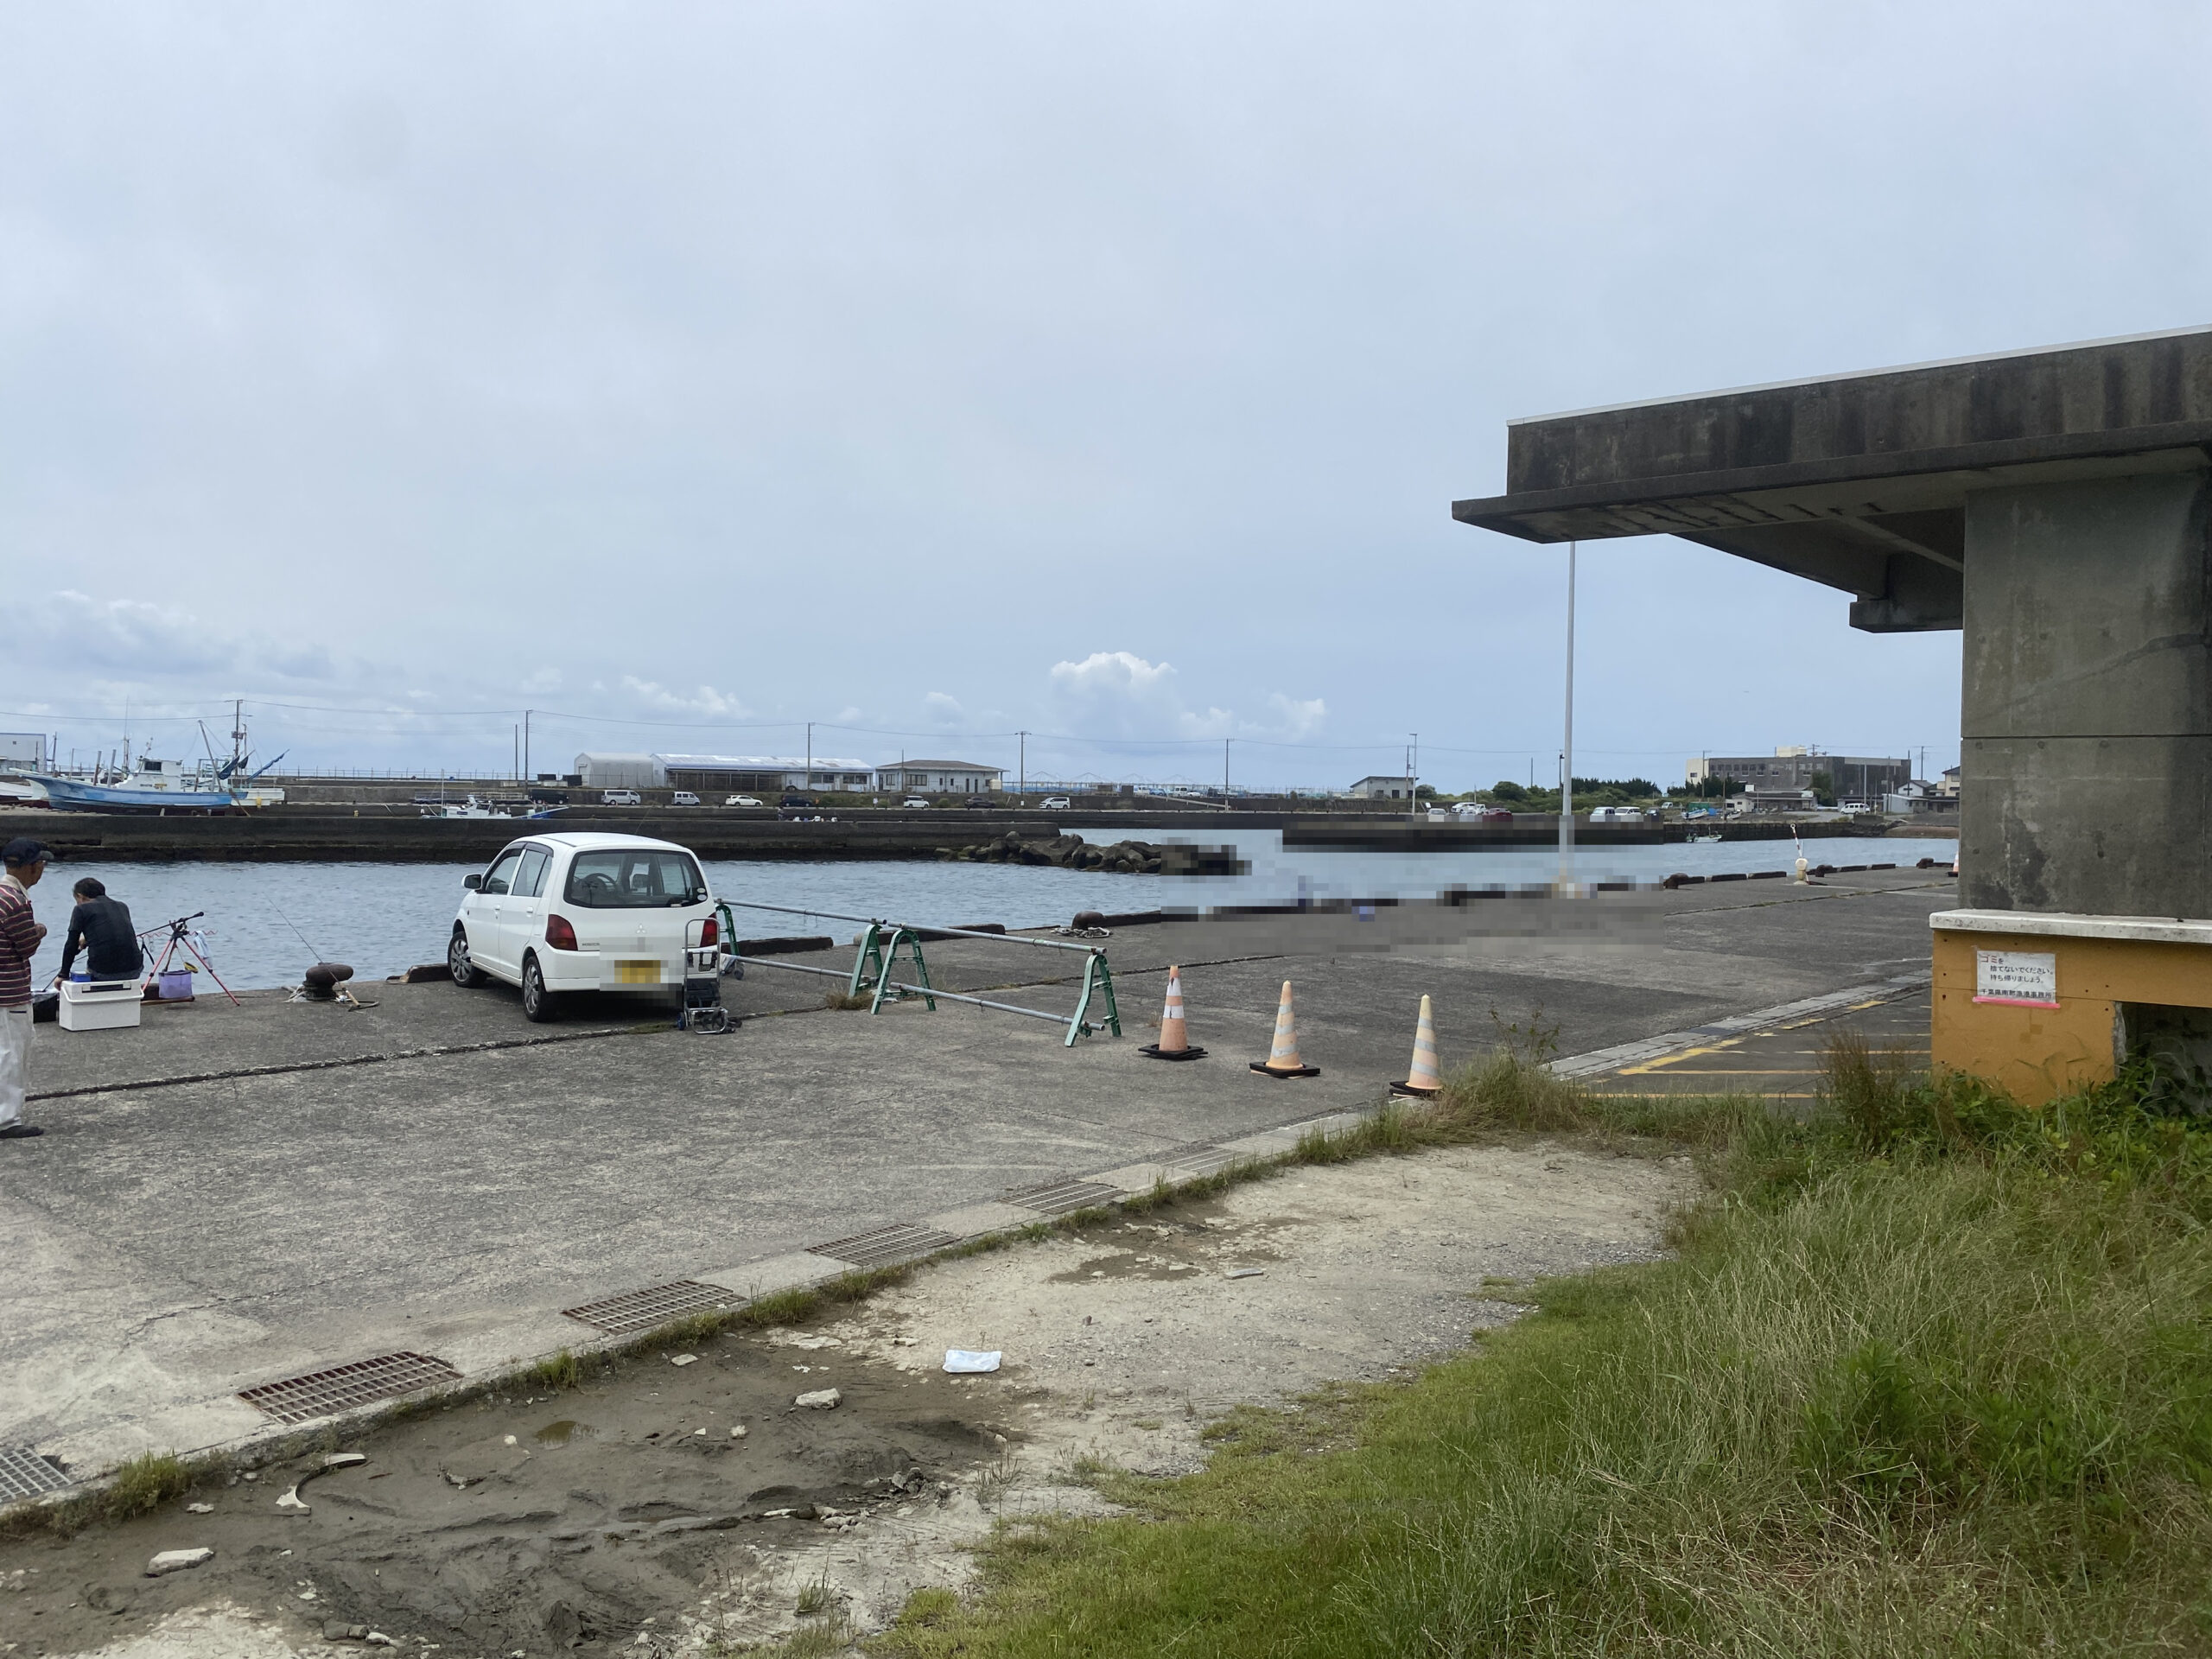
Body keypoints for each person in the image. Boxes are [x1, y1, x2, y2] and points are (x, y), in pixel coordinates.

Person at [0, 837, 51, 1141]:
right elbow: (27, 945)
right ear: (33, 867)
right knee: (11, 1055)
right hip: (9, 992)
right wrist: (40, 930)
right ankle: (7, 1120)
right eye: (41, 864)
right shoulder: (16, 901)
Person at [56, 876, 143, 984]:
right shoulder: (122, 906)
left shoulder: (81, 909)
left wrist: (63, 975)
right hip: (134, 970)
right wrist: (87, 940)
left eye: (77, 901)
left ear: (80, 896)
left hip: (102, 972)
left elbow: (71, 945)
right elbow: (113, 932)